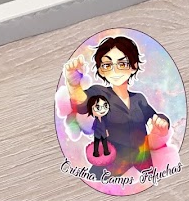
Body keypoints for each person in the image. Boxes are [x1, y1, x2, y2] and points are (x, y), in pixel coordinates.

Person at [64, 35, 170, 176]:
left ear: (133, 66)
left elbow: (155, 118)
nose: (115, 71)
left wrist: (162, 125)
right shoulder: (99, 93)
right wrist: (74, 85)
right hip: (110, 168)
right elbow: (82, 104)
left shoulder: (139, 99)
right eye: (107, 65)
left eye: (122, 64)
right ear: (101, 70)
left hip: (143, 165)